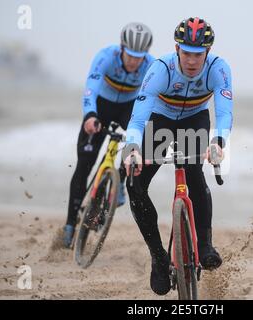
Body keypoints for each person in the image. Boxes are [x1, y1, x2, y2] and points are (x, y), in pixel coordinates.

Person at [123, 17, 233, 295]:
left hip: (194, 120)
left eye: (198, 54)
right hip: (160, 121)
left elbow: (223, 112)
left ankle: (206, 245)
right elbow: (137, 120)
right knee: (134, 182)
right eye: (186, 53)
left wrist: (218, 141)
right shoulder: (160, 69)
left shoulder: (218, 68)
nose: (192, 61)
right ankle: (159, 257)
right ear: (177, 49)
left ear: (207, 52)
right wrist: (132, 148)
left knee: (194, 172)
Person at [63, 22, 155, 248]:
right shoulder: (106, 56)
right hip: (101, 108)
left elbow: (154, 98)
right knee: (84, 166)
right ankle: (69, 224)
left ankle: (121, 178)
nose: (134, 61)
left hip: (128, 108)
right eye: (131, 55)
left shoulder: (151, 66)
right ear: (122, 47)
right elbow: (90, 90)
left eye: (139, 56)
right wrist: (90, 116)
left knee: (145, 136)